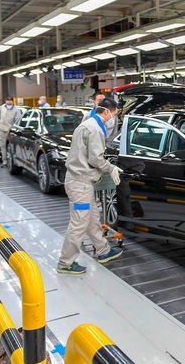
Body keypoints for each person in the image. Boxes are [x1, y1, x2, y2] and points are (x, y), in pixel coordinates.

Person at [57, 97, 123, 274]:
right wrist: (110, 168)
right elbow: (95, 159)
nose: (113, 118)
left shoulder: (88, 124)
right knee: (79, 223)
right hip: (80, 184)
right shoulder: (95, 129)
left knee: (92, 219)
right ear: (107, 111)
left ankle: (103, 251)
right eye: (114, 114)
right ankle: (65, 262)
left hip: (81, 181)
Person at [0, 97, 22, 168]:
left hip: (11, 131)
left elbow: (18, 121)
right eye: (7, 101)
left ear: (12, 101)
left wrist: (14, 129)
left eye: (10, 101)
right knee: (2, 146)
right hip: (2, 129)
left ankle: (12, 162)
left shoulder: (16, 109)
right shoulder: (2, 107)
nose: (8, 102)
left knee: (11, 147)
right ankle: (4, 162)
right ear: (5, 101)